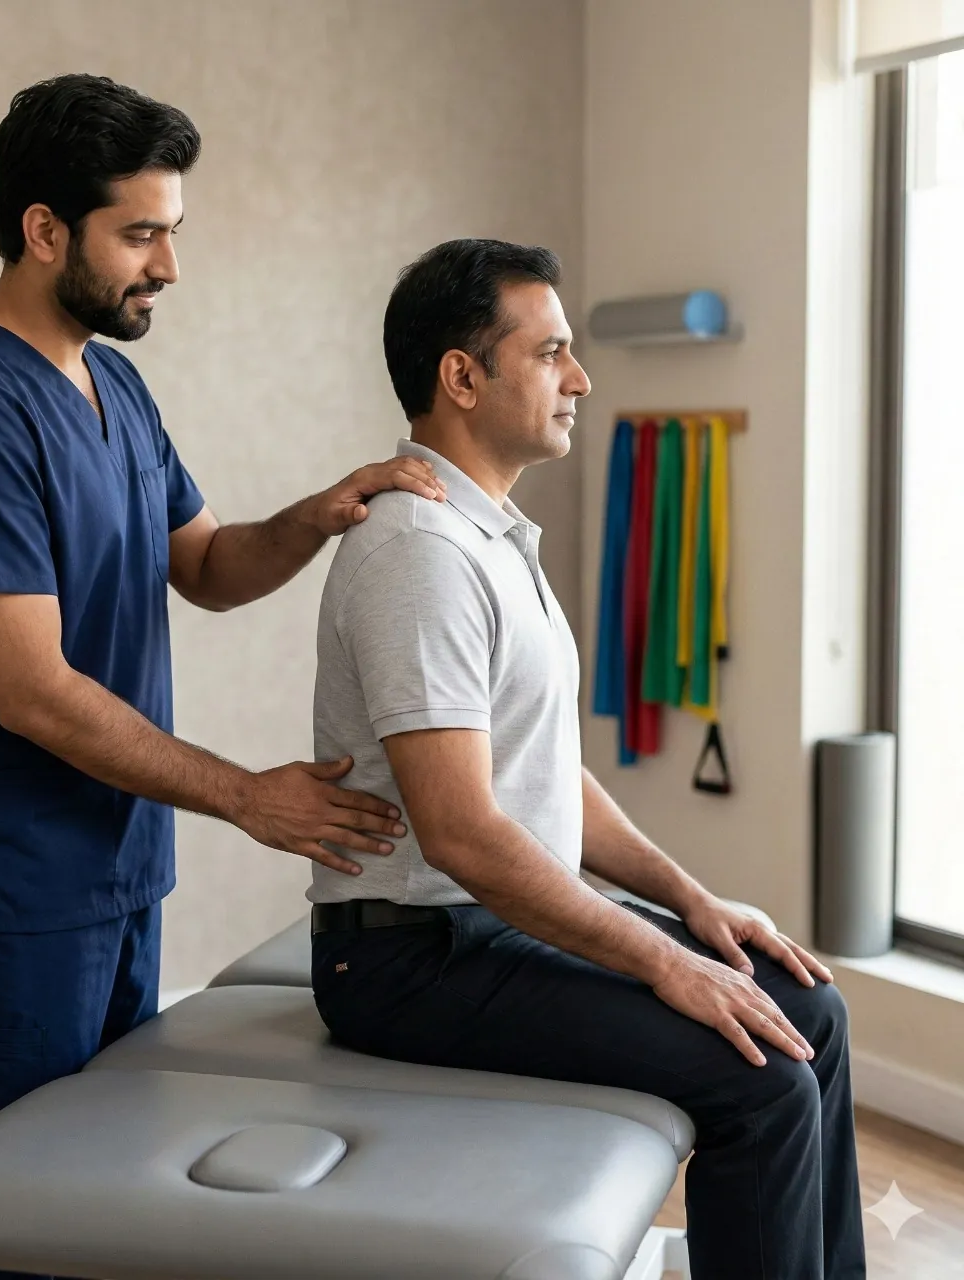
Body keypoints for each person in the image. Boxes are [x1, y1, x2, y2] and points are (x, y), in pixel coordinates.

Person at [0, 75, 444, 1280]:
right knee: (2, 1219)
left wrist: (319, 513)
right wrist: (250, 792)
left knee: (102, 1206)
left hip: (120, 868)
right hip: (14, 889)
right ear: (43, 231)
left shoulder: (115, 385)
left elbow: (205, 564)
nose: (168, 267)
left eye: (170, 232)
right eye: (140, 234)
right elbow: (28, 689)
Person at [309, 239, 865, 1280]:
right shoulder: (415, 553)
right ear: (460, 376)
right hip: (407, 958)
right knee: (759, 1079)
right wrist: (660, 960)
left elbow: (543, 772)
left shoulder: (488, 539)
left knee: (811, 1015)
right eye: (551, 351)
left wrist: (690, 903)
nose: (580, 377)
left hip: (481, 929)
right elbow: (463, 832)